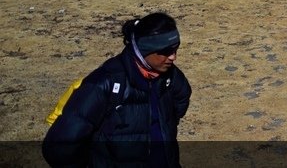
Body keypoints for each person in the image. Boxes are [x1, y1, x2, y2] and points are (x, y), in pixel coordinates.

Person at [42, 12, 192, 167]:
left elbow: (181, 99)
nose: (173, 57)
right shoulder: (104, 84)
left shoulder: (171, 76)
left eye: (175, 49)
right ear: (145, 49)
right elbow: (59, 147)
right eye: (166, 51)